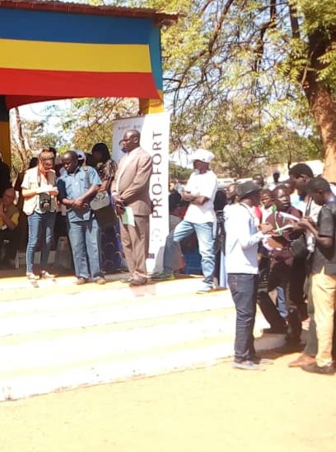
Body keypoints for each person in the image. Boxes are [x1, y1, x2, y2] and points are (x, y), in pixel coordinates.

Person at [224, 181, 273, 371]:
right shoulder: (239, 214)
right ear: (252, 195)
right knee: (245, 315)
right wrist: (262, 234)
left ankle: (249, 354)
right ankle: (241, 357)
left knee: (249, 314)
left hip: (247, 269)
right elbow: (245, 242)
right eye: (258, 194)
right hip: (240, 270)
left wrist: (259, 230)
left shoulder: (243, 212)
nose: (260, 197)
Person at [154, 149, 219, 293]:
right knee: (171, 239)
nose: (193, 163)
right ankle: (168, 271)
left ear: (203, 162)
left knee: (206, 251)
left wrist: (190, 196)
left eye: (196, 160)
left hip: (204, 219)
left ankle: (208, 282)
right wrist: (191, 196)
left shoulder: (211, 178)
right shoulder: (193, 175)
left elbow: (202, 200)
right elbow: (184, 196)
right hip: (190, 217)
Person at [293, 177, 336, 374]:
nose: (313, 201)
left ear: (319, 192)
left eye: (312, 196)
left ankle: (324, 361)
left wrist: (309, 227)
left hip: (325, 268)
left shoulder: (328, 209)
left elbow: (326, 242)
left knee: (323, 316)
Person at [263, 185, 305, 344]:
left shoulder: (295, 214)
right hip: (276, 262)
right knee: (260, 291)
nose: (285, 199)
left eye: (287, 196)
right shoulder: (271, 217)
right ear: (274, 201)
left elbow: (296, 237)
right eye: (281, 197)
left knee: (290, 302)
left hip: (291, 264)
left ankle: (294, 336)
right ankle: (278, 323)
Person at [58, 150, 105, 285]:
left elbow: (96, 186)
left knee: (94, 245)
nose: (66, 166)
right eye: (64, 164)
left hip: (92, 215)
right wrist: (73, 203)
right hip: (73, 217)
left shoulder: (88, 171)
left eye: (68, 163)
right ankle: (82, 275)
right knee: (77, 247)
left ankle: (97, 275)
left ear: (75, 161)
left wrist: (82, 198)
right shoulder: (61, 178)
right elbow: (61, 198)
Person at [112, 130, 153, 286]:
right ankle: (132, 272)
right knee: (127, 241)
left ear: (135, 140)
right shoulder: (123, 159)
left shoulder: (144, 157)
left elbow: (139, 182)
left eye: (127, 140)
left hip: (136, 206)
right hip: (122, 207)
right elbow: (116, 179)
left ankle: (141, 274)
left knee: (138, 240)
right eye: (123, 140)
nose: (124, 143)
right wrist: (114, 194)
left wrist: (122, 197)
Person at [20, 150, 59, 281]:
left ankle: (43, 269)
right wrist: (39, 190)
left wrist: (53, 192)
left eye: (50, 167)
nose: (47, 170)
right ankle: (29, 270)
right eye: (45, 167)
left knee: (48, 240)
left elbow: (54, 188)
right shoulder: (30, 174)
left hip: (50, 209)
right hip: (35, 209)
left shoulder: (52, 174)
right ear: (40, 162)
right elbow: (24, 193)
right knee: (34, 240)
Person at [91, 142, 123, 274]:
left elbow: (105, 185)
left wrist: (90, 191)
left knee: (110, 231)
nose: (95, 155)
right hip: (96, 199)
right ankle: (102, 263)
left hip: (106, 200)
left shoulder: (109, 164)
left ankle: (114, 263)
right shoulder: (94, 166)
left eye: (97, 153)